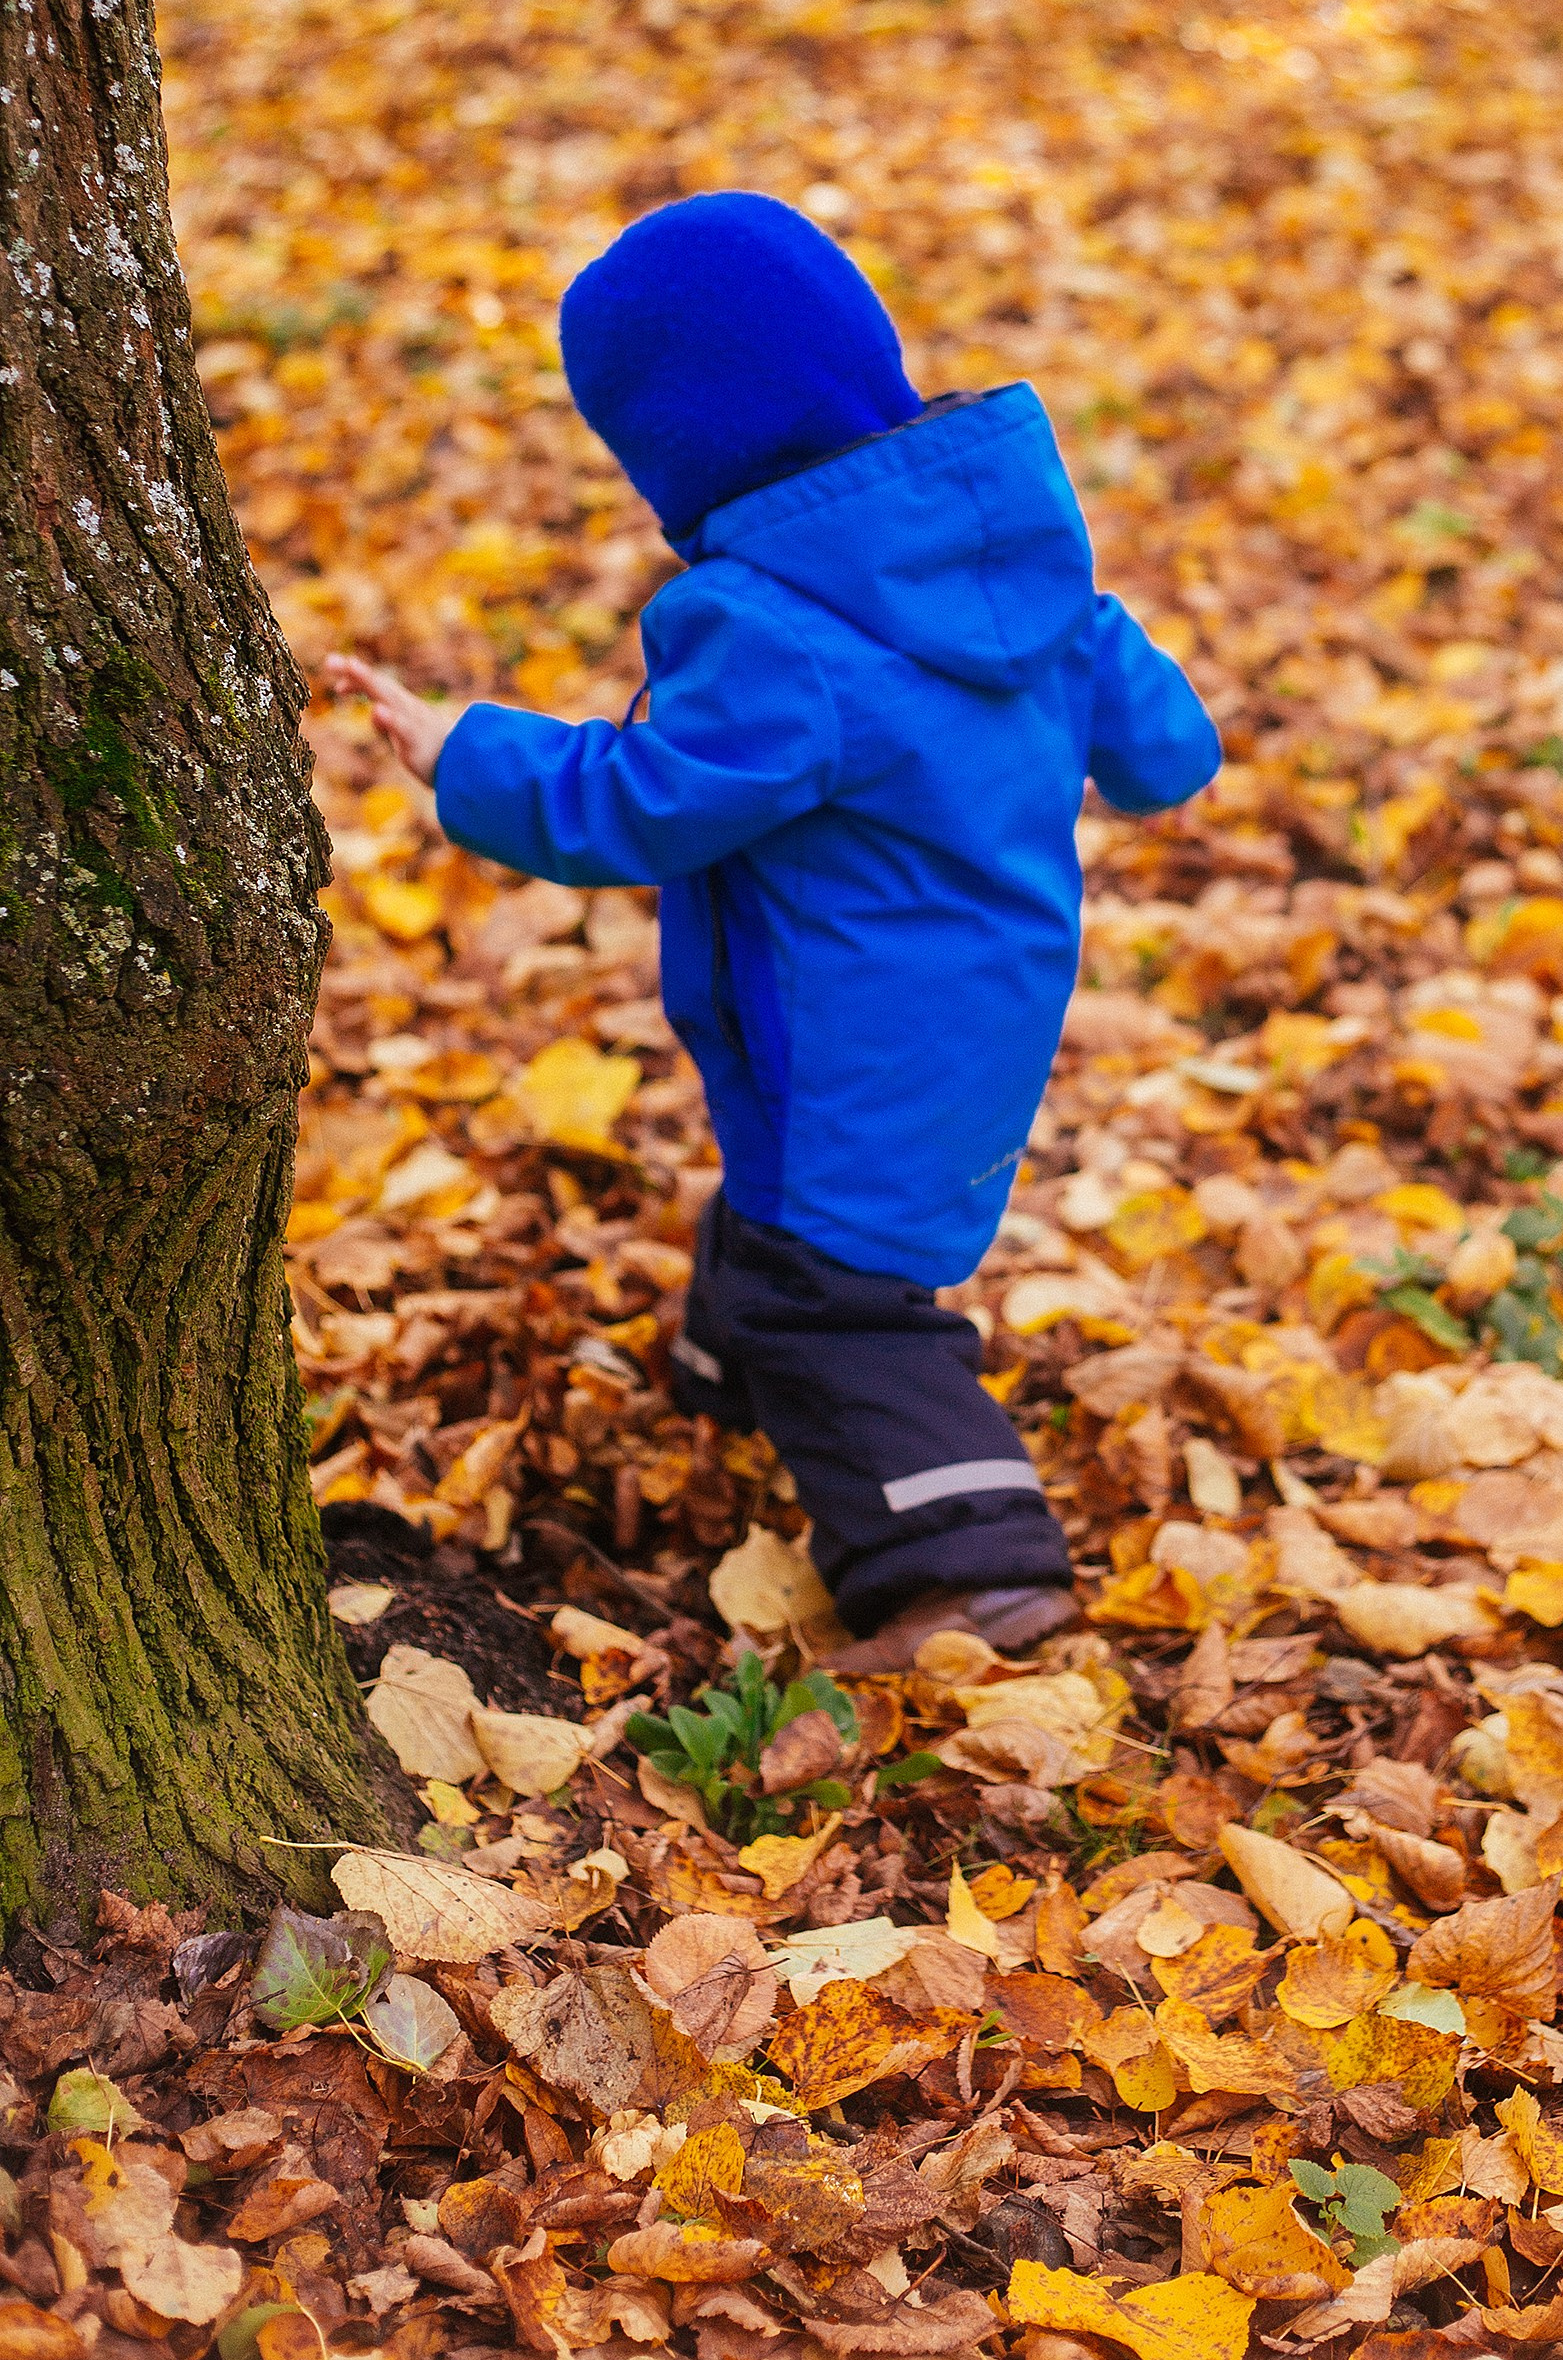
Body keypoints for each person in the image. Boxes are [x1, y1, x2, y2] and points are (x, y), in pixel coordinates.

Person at [328, 192, 1220, 1674]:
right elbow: (1166, 748)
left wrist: (462, 754)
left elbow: (642, 803)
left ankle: (968, 1565)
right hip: (991, 1003)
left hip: (852, 1032)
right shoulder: (1019, 553)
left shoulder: (769, 627)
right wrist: (1126, 755)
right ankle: (725, 1395)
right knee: (780, 1225)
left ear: (677, 450)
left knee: (836, 1294)